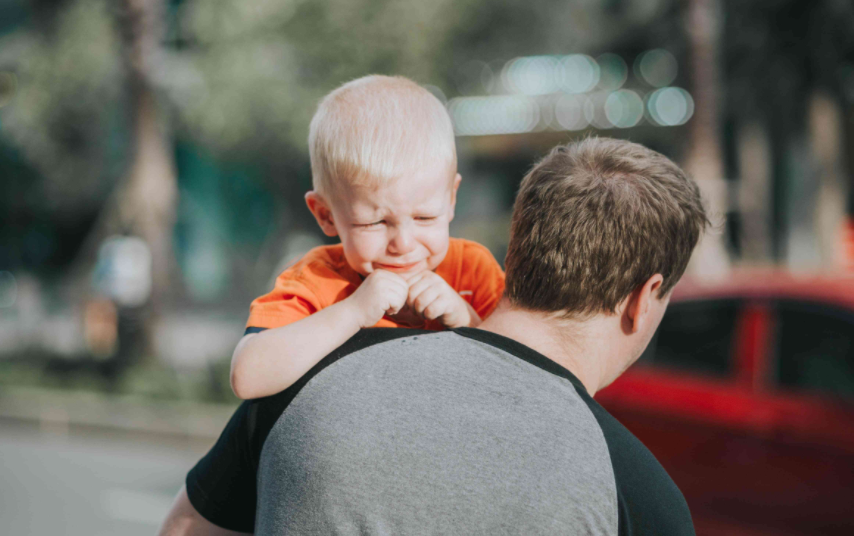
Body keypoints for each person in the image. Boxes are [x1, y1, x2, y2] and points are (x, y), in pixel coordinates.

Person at [159, 137, 708, 536]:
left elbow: (184, 529)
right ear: (643, 297)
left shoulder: (306, 383)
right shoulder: (639, 497)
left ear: (516, 250)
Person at [230, 75, 505, 400]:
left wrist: (467, 319)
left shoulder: (472, 270)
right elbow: (248, 377)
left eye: (424, 217)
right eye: (374, 222)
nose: (403, 244)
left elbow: (522, 378)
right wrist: (352, 312)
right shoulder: (317, 281)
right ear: (325, 215)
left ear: (451, 200)